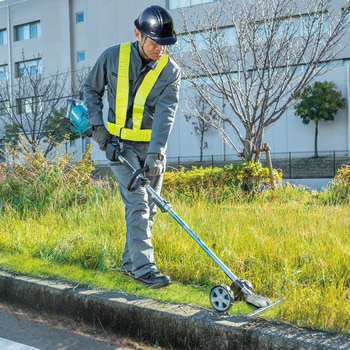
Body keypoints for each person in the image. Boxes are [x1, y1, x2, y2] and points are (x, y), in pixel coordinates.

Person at [83, 5, 180, 288]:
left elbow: (166, 115)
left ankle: (130, 262)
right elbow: (90, 89)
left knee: (150, 207)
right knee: (138, 204)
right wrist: (100, 133)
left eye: (166, 44)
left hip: (150, 148)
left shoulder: (170, 71)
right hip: (118, 146)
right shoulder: (113, 57)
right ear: (138, 34)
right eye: (155, 43)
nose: (160, 49)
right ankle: (144, 268)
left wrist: (156, 155)